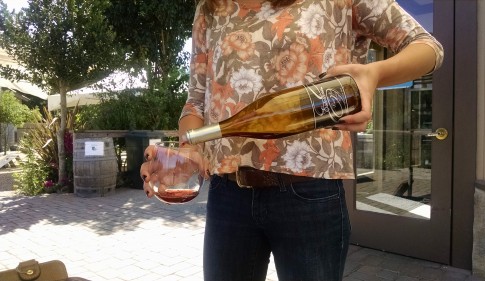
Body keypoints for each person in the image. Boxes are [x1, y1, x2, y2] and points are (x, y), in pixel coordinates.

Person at [143, 0, 444, 280]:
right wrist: (190, 150)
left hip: (310, 195)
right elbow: (196, 102)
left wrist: (373, 73)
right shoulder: (211, 8)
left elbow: (428, 48)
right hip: (228, 195)